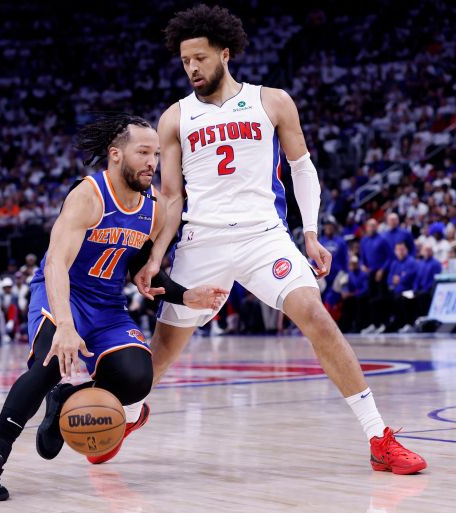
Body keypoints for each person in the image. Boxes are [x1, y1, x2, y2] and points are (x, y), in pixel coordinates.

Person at [134, 5, 426, 475]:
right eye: (185, 60)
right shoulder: (174, 117)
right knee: (163, 351)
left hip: (262, 236)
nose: (191, 68)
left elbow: (302, 167)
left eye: (200, 58)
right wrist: (156, 257)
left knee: (317, 316)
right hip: (201, 240)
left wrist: (309, 234)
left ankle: (378, 436)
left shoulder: (272, 100)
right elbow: (171, 196)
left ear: (225, 54)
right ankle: (125, 416)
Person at [0, 114, 227, 501]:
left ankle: (65, 400)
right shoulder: (88, 195)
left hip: (106, 306)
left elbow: (138, 269)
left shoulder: (153, 209)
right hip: (61, 294)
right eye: (143, 152)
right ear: (116, 155)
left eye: (156, 153)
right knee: (50, 364)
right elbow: (55, 263)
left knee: (138, 377)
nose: (153, 162)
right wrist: (65, 327)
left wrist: (187, 296)